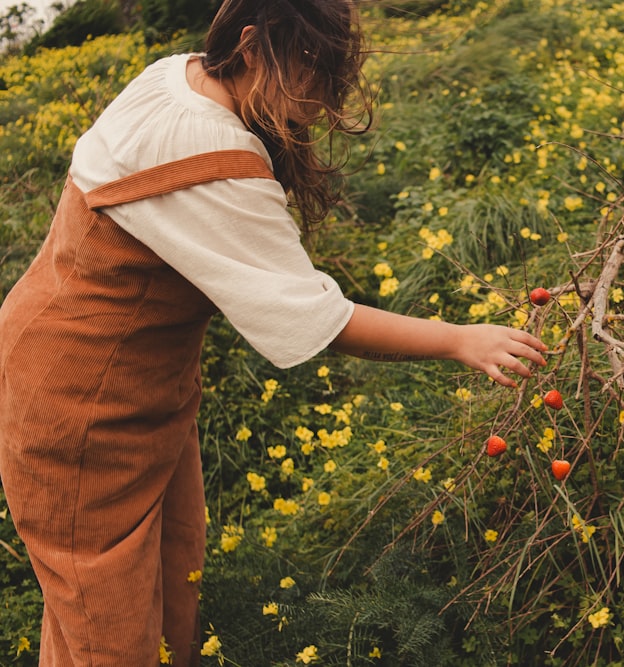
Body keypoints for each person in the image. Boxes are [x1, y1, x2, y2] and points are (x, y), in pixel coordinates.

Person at [0, 1, 548, 665]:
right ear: (253, 46)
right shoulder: (209, 147)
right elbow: (313, 316)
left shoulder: (178, 75)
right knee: (105, 632)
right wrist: (460, 338)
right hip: (76, 406)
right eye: (313, 67)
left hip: (130, 393)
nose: (322, 97)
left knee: (175, 582)